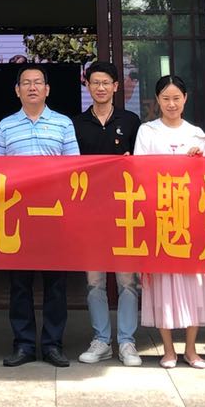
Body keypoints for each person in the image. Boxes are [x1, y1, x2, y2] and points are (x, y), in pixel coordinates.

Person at [0, 64, 79, 368]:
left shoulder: (63, 123)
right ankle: (24, 344)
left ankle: (53, 344)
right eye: (26, 83)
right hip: (18, 214)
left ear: (47, 89)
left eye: (38, 82)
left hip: (53, 213)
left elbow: (74, 167)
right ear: (17, 91)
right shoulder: (5, 126)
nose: (32, 87)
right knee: (20, 283)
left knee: (55, 283)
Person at [136, 74, 205, 369]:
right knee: (163, 284)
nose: (171, 104)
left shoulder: (197, 134)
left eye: (176, 98)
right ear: (157, 100)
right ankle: (168, 349)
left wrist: (197, 161)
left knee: (193, 283)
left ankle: (192, 349)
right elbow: (140, 172)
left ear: (185, 99)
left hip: (190, 218)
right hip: (159, 216)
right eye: (165, 98)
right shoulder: (147, 131)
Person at [72, 60, 142, 367]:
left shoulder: (131, 121)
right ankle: (101, 339)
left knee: (127, 280)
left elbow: (144, 164)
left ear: (115, 87)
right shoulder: (76, 124)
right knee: (94, 280)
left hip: (124, 210)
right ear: (87, 86)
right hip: (90, 211)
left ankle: (127, 341)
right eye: (95, 82)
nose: (100, 88)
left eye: (106, 83)